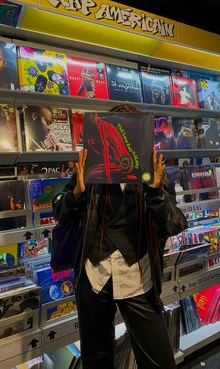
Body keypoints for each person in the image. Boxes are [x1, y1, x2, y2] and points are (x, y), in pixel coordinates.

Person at [53, 104, 178, 369]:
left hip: (137, 275)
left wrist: (155, 192)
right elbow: (60, 213)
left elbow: (173, 224)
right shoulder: (90, 167)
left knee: (159, 360)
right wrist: (75, 194)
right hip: (94, 275)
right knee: (96, 358)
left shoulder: (154, 172)